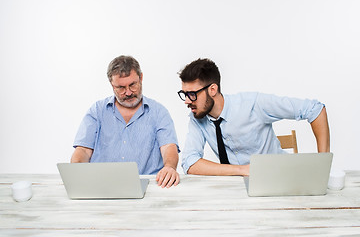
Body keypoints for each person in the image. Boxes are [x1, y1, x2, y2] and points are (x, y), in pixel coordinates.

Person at [177, 58, 330, 176]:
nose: (187, 101)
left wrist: (323, 165)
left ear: (212, 89)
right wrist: (242, 170)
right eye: (184, 94)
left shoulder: (252, 104)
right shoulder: (197, 117)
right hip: (238, 187)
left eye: (192, 94)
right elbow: (190, 163)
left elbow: (314, 109)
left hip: (279, 176)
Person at [71, 55, 180, 188]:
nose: (128, 92)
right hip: (102, 187)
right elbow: (83, 151)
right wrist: (76, 173)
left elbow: (169, 147)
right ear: (112, 85)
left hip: (150, 187)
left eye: (132, 85)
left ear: (141, 78)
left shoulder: (158, 112)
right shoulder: (97, 111)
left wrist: (170, 167)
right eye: (121, 88)